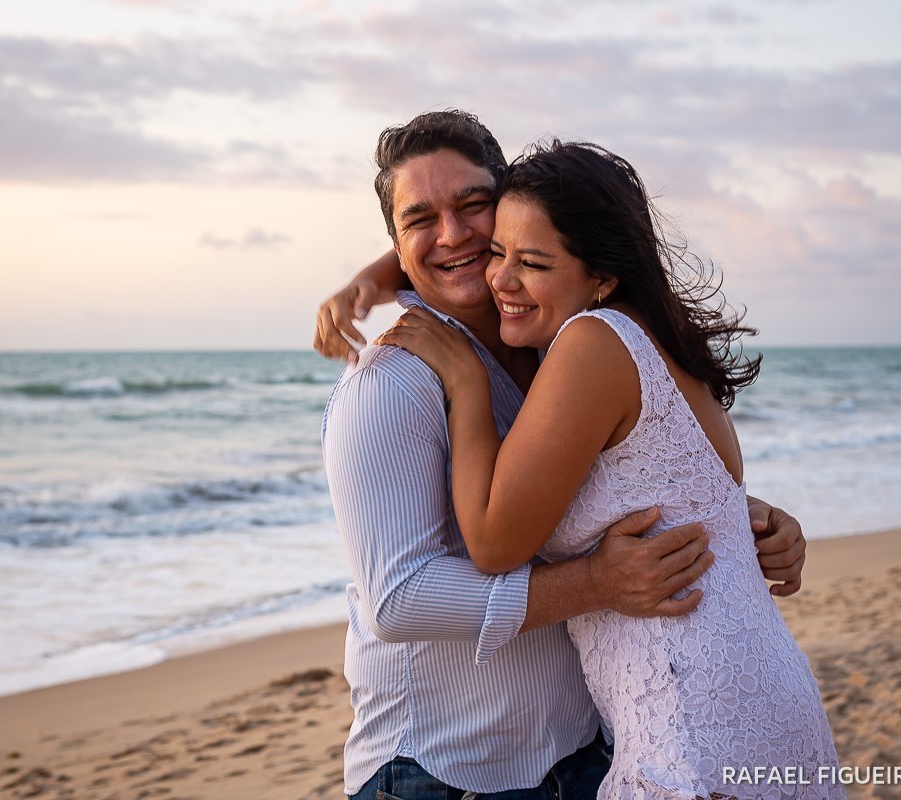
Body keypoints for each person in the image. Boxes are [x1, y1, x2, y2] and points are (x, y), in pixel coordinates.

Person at [319, 110, 809, 800]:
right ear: (396, 244)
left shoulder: (556, 346)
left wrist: (739, 521)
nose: (455, 234)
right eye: (420, 219)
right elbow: (399, 599)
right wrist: (595, 583)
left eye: (473, 206)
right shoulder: (388, 385)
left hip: (582, 753)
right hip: (446, 770)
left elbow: (629, 476)